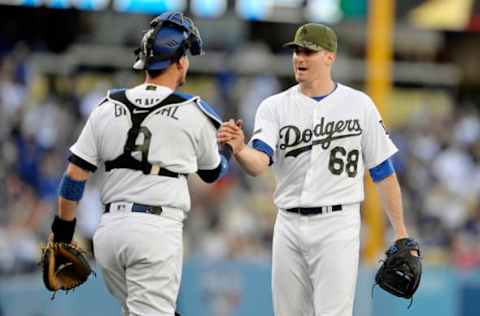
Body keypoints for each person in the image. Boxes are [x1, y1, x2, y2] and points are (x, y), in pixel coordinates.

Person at [218, 23, 413, 316]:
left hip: (337, 224)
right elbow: (259, 164)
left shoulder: (359, 105)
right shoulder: (274, 107)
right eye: (296, 50)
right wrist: (240, 149)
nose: (300, 57)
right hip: (288, 223)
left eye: (308, 51)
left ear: (329, 57)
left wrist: (401, 234)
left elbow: (383, 171)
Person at [49, 12, 231, 316]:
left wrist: (63, 235)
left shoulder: (107, 107)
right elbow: (213, 173)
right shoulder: (193, 111)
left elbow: (73, 176)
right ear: (180, 61)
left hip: (108, 237)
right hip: (154, 233)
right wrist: (226, 148)